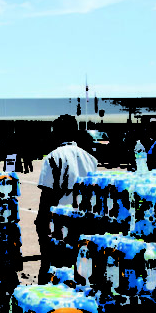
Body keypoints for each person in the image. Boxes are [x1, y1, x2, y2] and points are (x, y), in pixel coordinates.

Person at [34, 114, 98, 284]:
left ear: (57, 133)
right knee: (79, 266)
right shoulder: (90, 158)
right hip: (85, 218)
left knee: (54, 266)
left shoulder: (53, 157)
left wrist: (41, 221)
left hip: (61, 221)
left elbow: (47, 194)